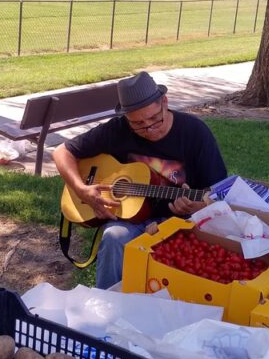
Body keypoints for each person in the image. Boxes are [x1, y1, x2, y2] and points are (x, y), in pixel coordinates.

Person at [53, 72, 227, 289]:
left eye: (155, 118)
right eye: (138, 124)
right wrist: (81, 190)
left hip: (178, 223)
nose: (150, 129)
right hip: (130, 220)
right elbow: (62, 152)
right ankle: (107, 305)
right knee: (114, 237)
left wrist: (199, 205)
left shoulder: (194, 132)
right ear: (126, 118)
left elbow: (219, 190)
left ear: (165, 102)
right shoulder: (117, 130)